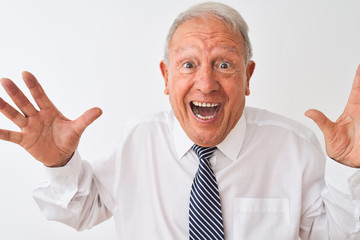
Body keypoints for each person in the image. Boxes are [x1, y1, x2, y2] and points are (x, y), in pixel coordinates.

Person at [0, 2, 360, 239]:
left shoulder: (294, 145)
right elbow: (81, 211)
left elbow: (337, 235)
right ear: (166, 76)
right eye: (189, 65)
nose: (206, 83)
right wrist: (59, 163)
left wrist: (349, 168)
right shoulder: (137, 140)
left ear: (248, 76)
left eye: (224, 64)